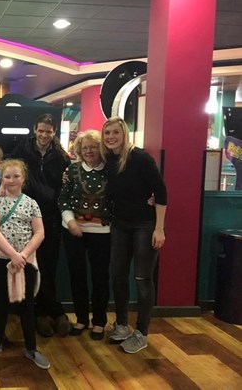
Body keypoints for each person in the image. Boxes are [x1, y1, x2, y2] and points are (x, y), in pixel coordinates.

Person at [101, 117, 167, 354]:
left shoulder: (140, 158)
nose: (111, 137)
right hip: (120, 224)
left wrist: (159, 228)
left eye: (115, 132)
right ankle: (121, 325)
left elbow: (161, 192)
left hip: (145, 225)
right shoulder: (109, 159)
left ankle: (142, 332)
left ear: (124, 133)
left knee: (142, 278)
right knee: (117, 274)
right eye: (107, 133)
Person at [0, 159, 50, 369]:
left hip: (25, 261)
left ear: (23, 178)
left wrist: (23, 255)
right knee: (0, 303)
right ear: (2, 179)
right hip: (0, 260)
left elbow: (40, 232)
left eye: (16, 176)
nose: (11, 180)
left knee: (26, 306)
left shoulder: (31, 203)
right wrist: (12, 255)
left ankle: (31, 348)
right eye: (7, 176)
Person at [10, 113, 71, 337]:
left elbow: (66, 184)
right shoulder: (21, 152)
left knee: (49, 267)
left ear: (54, 132)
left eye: (49, 131)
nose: (44, 135)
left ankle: (48, 312)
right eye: (41, 130)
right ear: (34, 129)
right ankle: (42, 313)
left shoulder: (61, 156)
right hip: (26, 219)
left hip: (52, 220)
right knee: (33, 267)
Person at [58, 130, 111, 340]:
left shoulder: (111, 170)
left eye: (93, 147)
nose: (89, 151)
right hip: (73, 231)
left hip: (103, 232)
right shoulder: (71, 169)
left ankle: (99, 322)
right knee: (77, 277)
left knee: (100, 278)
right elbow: (63, 199)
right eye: (85, 147)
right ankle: (81, 319)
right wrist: (71, 223)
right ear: (79, 150)